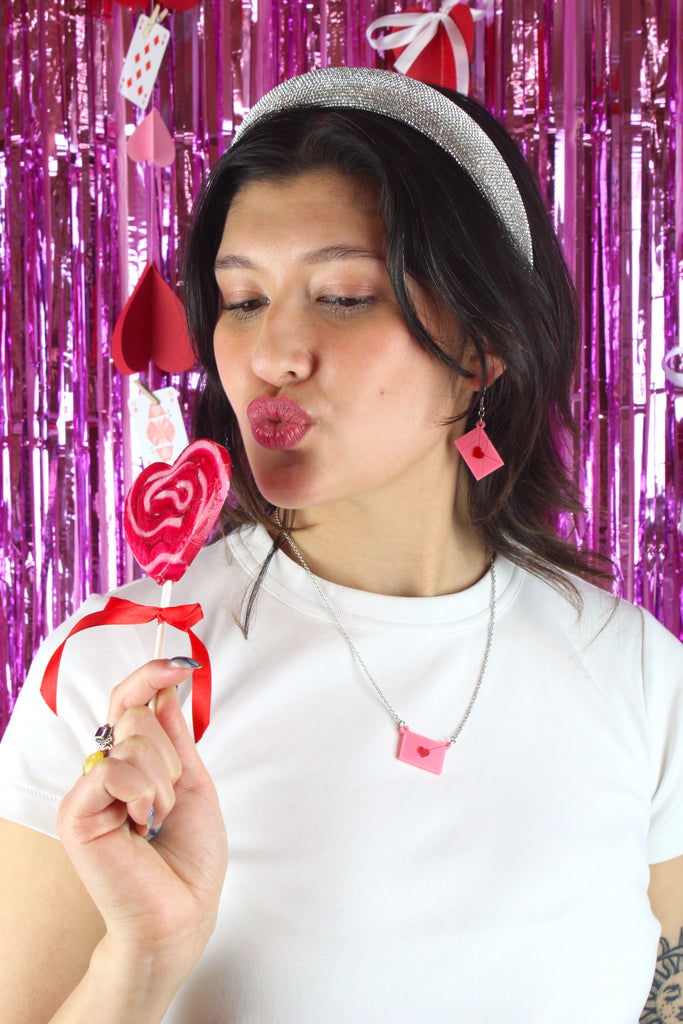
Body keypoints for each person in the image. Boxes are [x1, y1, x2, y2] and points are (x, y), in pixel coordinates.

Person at [0, 66, 681, 1024]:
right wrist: (140, 961)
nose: (273, 353)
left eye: (344, 297)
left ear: (484, 345)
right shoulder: (118, 673)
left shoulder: (636, 674)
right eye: (240, 301)